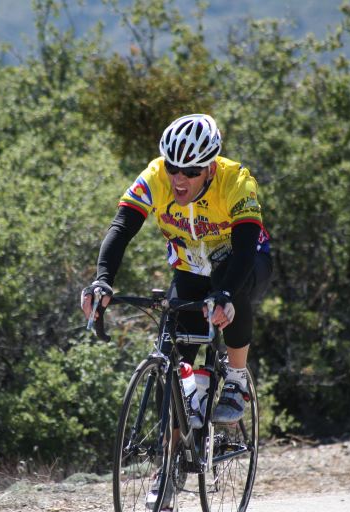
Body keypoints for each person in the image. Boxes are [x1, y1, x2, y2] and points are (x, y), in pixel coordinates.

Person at [81, 113, 273, 427]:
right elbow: (121, 227)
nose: (179, 179)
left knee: (229, 286)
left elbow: (245, 247)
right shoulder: (155, 176)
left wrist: (224, 294)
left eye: (191, 171)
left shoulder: (236, 180)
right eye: (172, 167)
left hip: (246, 262)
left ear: (210, 167)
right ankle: (171, 461)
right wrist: (103, 281)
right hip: (190, 269)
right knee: (171, 364)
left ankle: (236, 380)